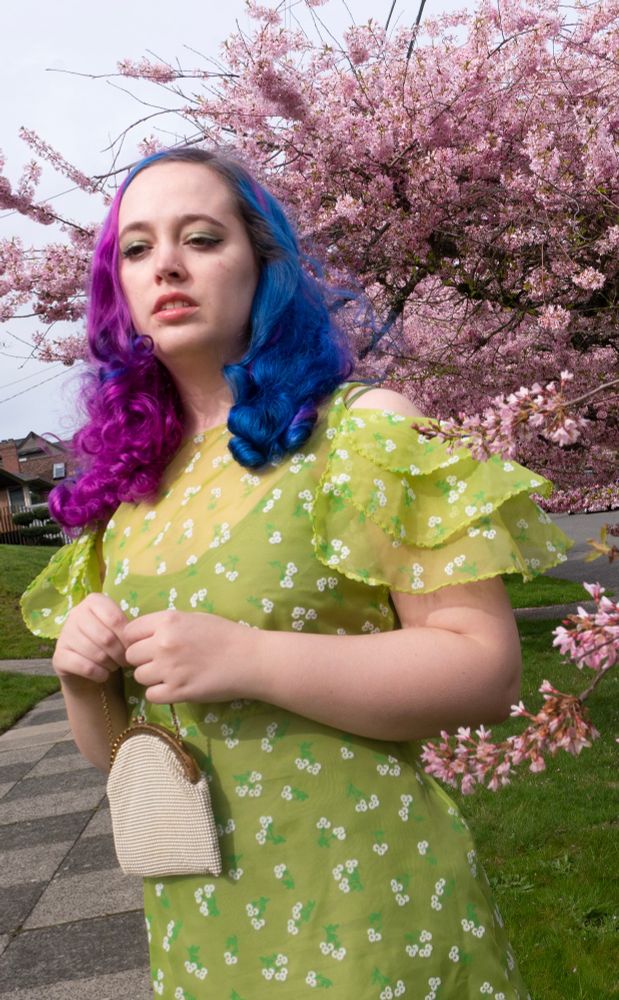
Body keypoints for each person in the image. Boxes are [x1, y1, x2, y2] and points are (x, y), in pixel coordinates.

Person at [21, 146, 573, 999]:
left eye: (200, 238)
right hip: (199, 928)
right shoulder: (123, 493)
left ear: (262, 267)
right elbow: (123, 759)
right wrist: (80, 681)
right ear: (118, 290)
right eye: (136, 249)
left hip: (369, 914)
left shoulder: (360, 433)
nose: (165, 263)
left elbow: (481, 668)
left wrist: (250, 658)